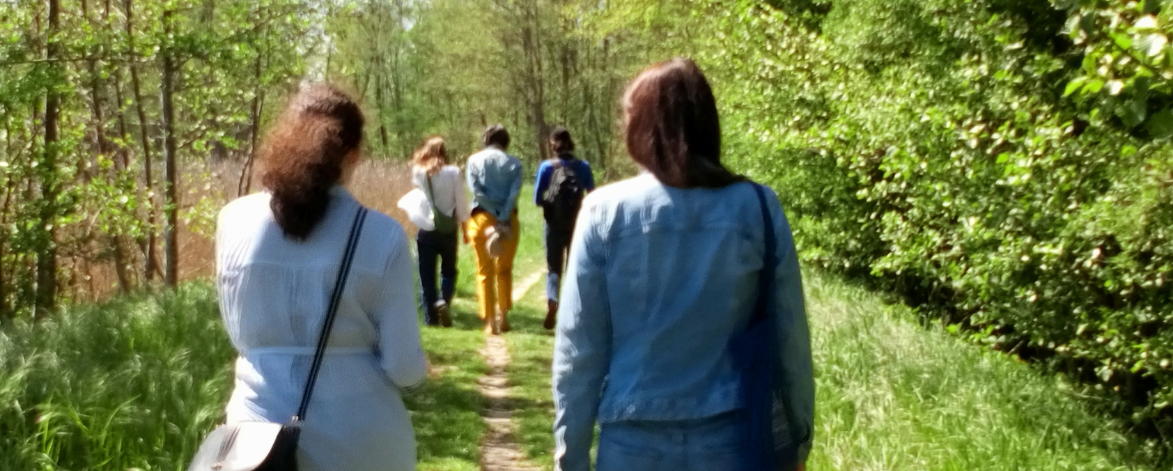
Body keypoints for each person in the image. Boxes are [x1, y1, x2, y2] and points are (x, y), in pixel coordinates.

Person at [551, 58, 815, 471]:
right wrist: (797, 441)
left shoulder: (603, 211)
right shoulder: (759, 207)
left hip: (630, 442)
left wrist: (571, 456)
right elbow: (790, 336)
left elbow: (579, 350)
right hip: (732, 441)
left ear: (641, 128)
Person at [215, 84, 427, 471]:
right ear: (351, 155)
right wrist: (418, 376)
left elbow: (238, 335)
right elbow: (403, 365)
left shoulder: (233, 221)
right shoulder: (381, 235)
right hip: (361, 442)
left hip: (256, 443)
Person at [533, 126, 595, 330]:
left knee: (553, 267)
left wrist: (551, 204)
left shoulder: (546, 167)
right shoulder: (583, 166)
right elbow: (592, 195)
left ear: (553, 145)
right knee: (573, 267)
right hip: (576, 223)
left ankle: (552, 299)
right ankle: (573, 310)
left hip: (552, 223)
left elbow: (537, 199)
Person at [465, 124, 523, 335]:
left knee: (484, 270)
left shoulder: (473, 160)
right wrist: (503, 215)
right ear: (505, 141)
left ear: (485, 140)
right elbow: (514, 193)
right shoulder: (514, 163)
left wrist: (492, 213)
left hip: (481, 218)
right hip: (508, 221)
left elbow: (476, 192)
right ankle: (504, 316)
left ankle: (490, 321)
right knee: (505, 269)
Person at [409, 136, 471, 327]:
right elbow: (461, 204)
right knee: (449, 271)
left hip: (426, 229)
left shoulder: (418, 172)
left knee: (426, 275)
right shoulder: (453, 173)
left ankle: (430, 319)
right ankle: (443, 300)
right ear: (445, 152)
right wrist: (465, 229)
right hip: (448, 229)